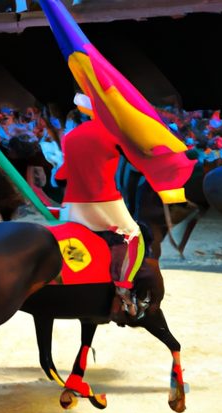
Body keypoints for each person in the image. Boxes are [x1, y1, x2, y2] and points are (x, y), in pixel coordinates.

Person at [56, 117, 144, 317]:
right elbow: (138, 165)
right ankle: (123, 292)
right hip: (104, 201)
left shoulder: (71, 136)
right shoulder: (113, 132)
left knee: (70, 239)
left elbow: (60, 177)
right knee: (133, 237)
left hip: (72, 203)